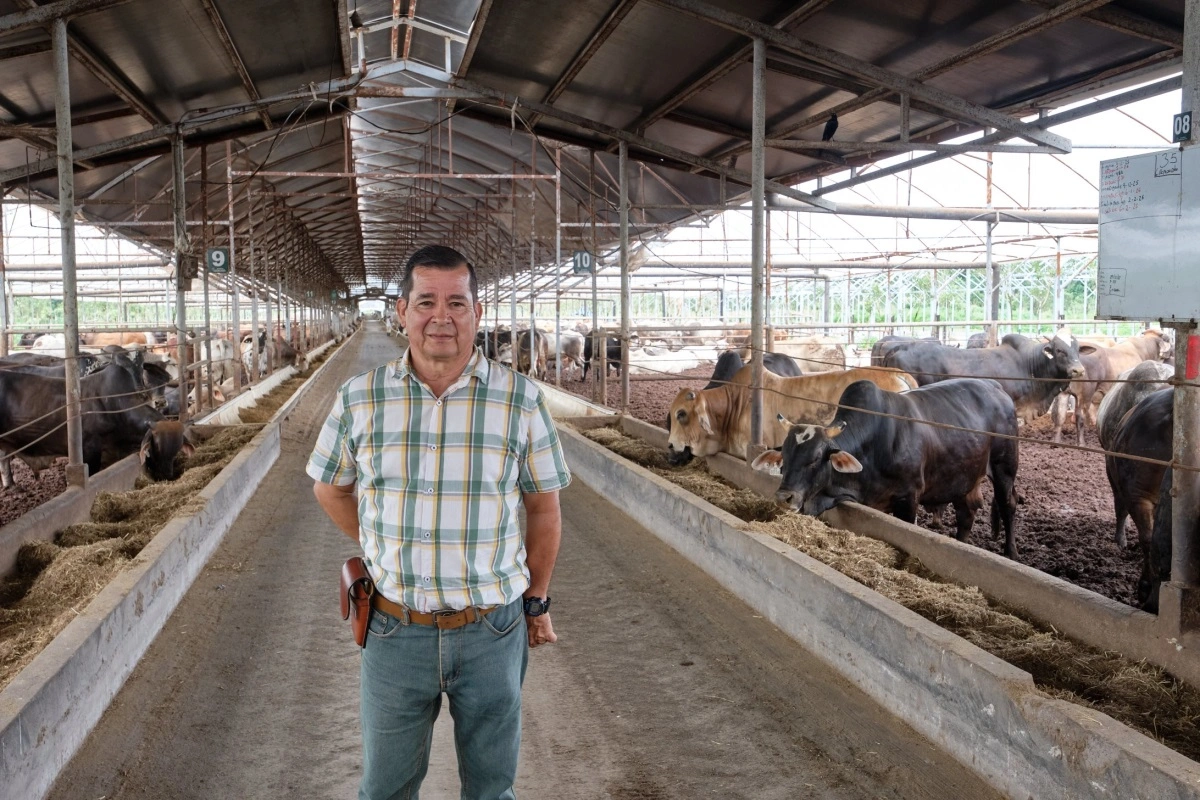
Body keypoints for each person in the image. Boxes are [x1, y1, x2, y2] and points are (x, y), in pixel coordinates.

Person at [307, 244, 571, 799]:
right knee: (385, 789)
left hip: (492, 630)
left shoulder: (520, 399)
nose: (442, 317)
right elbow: (328, 487)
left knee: (492, 789)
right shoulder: (361, 398)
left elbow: (544, 506)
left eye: (457, 302)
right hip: (394, 630)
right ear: (401, 311)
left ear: (478, 312)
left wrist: (537, 599)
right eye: (426, 301)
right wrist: (377, 540)